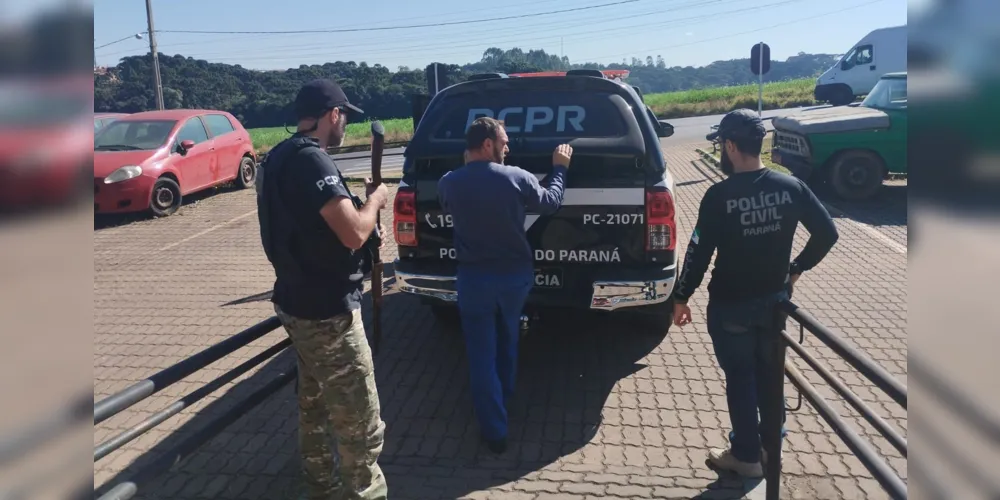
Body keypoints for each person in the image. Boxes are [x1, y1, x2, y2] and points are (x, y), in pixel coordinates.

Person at [671, 108, 839, 478]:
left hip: (731, 308)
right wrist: (795, 270)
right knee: (770, 376)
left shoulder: (718, 196)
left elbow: (699, 253)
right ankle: (770, 447)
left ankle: (745, 456)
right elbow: (828, 234)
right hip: (774, 304)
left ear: (730, 145)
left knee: (741, 381)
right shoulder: (790, 187)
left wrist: (682, 297)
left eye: (720, 145)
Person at [255, 78, 389, 500]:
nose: (346, 124)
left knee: (314, 409)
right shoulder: (313, 162)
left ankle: (321, 488)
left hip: (296, 301)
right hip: (328, 313)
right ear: (332, 114)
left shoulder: (278, 157)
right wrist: (377, 200)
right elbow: (352, 233)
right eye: (344, 115)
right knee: (361, 426)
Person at [437, 117, 573, 454]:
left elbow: (448, 202)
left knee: (480, 353)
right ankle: (504, 398)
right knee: (508, 338)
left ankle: (494, 430)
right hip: (514, 279)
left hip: (473, 280)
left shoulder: (448, 182)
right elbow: (551, 202)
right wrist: (559, 168)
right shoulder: (519, 178)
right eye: (504, 141)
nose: (508, 147)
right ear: (487, 144)